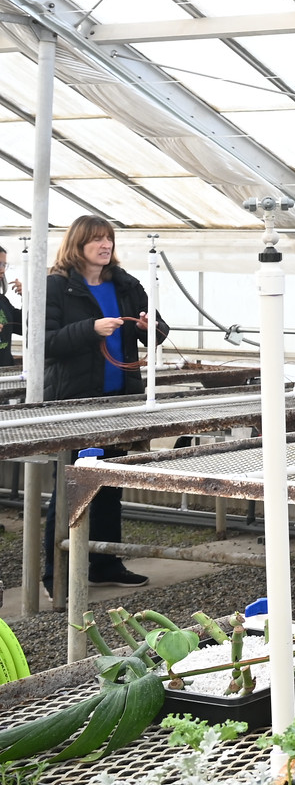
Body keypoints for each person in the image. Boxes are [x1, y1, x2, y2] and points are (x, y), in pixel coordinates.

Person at [41, 215, 169, 589]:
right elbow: (45, 343)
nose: (105, 245)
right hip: (76, 403)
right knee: (71, 485)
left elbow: (158, 332)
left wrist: (151, 328)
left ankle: (105, 563)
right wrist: (90, 329)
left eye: (108, 239)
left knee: (111, 482)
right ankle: (57, 573)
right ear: (77, 245)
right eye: (96, 240)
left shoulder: (127, 285)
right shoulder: (57, 287)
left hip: (120, 398)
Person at [0, 246, 20, 368]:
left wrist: (28, 298)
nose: (2, 270)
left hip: (5, 375)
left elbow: (24, 326)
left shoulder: (3, 301)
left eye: (4, 265)